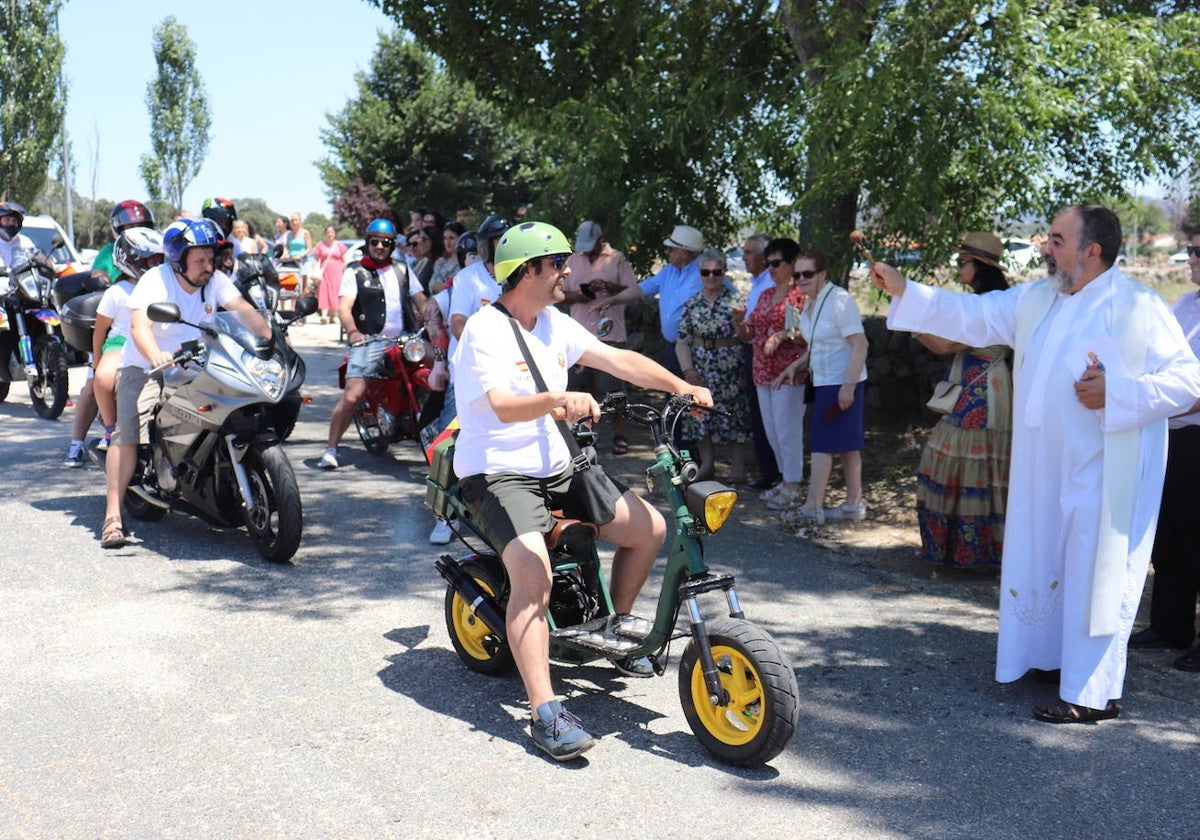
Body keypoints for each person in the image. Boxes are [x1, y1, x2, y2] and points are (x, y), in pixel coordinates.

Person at [871, 204, 1200, 723]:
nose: (1045, 248)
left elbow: (1189, 380)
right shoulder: (1038, 298)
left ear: (1091, 252)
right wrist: (906, 290)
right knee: (1048, 557)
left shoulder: (1136, 306)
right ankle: (1052, 660)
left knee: (1094, 568)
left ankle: (1092, 694)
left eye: (1056, 240)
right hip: (1042, 465)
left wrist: (1121, 392)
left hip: (1102, 467)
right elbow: (973, 316)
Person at [452, 221, 712, 760]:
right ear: (528, 271)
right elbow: (500, 404)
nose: (568, 271)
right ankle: (545, 712)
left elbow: (618, 360)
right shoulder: (485, 330)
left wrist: (679, 385)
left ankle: (612, 628)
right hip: (499, 471)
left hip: (560, 462)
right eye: (558, 263)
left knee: (651, 529)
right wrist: (557, 401)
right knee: (533, 573)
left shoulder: (554, 323)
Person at [100, 218, 261, 549]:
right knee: (128, 433)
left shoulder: (214, 280)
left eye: (210, 258)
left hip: (199, 362)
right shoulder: (154, 280)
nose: (208, 266)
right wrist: (155, 355)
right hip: (145, 365)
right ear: (178, 260)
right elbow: (139, 326)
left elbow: (242, 309)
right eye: (200, 260)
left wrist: (269, 335)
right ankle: (113, 516)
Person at [914, 233, 1012, 567]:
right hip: (979, 387)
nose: (957, 267)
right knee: (971, 463)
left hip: (981, 394)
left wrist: (912, 319)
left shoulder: (990, 305)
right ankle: (969, 549)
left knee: (965, 460)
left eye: (962, 262)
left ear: (980, 265)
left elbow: (945, 345)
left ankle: (968, 551)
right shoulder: (993, 301)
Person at [1130, 229, 1200, 671]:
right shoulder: (1186, 304)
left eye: (1198, 252)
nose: (1190, 258)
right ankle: (1170, 625)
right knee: (1170, 535)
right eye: (1191, 250)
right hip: (1174, 434)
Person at [319, 218, 425, 470]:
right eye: (375, 241)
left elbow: (422, 299)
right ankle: (331, 448)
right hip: (371, 340)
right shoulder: (355, 271)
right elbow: (344, 307)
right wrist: (354, 331)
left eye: (385, 242)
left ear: (391, 245)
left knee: (439, 372)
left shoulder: (402, 269)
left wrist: (432, 316)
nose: (380, 246)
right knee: (353, 395)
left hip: (405, 338)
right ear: (368, 242)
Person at [774, 250, 868, 524]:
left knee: (821, 444)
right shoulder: (810, 303)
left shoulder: (839, 300)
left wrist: (848, 386)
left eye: (808, 274)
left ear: (822, 274)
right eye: (797, 274)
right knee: (848, 446)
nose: (801, 279)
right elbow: (820, 345)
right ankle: (854, 503)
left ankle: (813, 506)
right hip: (824, 379)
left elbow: (860, 344)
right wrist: (795, 366)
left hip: (841, 381)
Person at [62, 200, 155, 467]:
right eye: (129, 226)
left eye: (141, 226)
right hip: (116, 334)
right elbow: (99, 272)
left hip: (150, 335)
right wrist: (102, 279)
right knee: (94, 385)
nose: (135, 230)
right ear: (117, 229)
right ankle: (77, 443)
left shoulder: (155, 255)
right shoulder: (110, 252)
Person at [732, 237, 807, 509]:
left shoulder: (799, 296)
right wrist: (738, 321)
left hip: (787, 372)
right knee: (773, 432)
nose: (770, 268)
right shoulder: (765, 294)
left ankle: (793, 483)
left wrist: (782, 335)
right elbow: (748, 333)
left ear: (791, 264)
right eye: (768, 263)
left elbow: (804, 337)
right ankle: (784, 479)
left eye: (776, 263)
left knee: (788, 430)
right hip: (761, 370)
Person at [560, 220, 637, 454]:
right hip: (578, 334)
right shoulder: (573, 260)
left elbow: (633, 291)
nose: (587, 249)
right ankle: (581, 435)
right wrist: (579, 295)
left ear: (601, 238)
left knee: (613, 388)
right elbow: (559, 295)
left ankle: (619, 435)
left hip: (610, 334)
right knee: (579, 388)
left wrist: (608, 287)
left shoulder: (618, 258)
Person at [676, 249, 750, 481]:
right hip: (701, 368)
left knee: (733, 416)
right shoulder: (692, 304)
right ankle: (708, 464)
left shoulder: (736, 302)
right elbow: (682, 340)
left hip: (729, 369)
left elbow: (746, 336)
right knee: (700, 415)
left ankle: (738, 468)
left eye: (716, 272)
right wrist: (688, 370)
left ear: (724, 273)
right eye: (706, 272)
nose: (711, 277)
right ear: (700, 274)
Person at [90, 228, 165, 455]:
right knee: (103, 379)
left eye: (159, 260)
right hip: (120, 340)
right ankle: (111, 428)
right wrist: (96, 361)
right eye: (149, 260)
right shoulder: (116, 291)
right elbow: (100, 329)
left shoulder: (164, 286)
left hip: (156, 339)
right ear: (129, 259)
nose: (155, 265)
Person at [598, 223, 705, 376]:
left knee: (695, 395)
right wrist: (613, 300)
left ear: (684, 252)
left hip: (696, 348)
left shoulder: (706, 273)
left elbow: (728, 297)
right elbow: (640, 289)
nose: (667, 252)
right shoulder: (668, 271)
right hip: (671, 346)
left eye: (671, 249)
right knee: (674, 394)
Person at [740, 233, 782, 491]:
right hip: (754, 354)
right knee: (759, 416)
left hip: (773, 356)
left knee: (775, 419)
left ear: (763, 257)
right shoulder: (757, 283)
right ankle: (769, 473)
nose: (743, 258)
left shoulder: (770, 284)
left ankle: (778, 475)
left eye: (747, 253)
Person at [312, 225, 348, 324]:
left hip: (336, 273)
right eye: (328, 232)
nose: (330, 234)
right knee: (323, 290)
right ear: (325, 233)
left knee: (335, 292)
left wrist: (344, 271)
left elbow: (345, 260)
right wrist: (313, 268)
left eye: (332, 232)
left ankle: (333, 316)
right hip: (324, 272)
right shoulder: (320, 244)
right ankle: (324, 314)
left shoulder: (339, 245)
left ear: (335, 234)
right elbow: (315, 258)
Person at [432, 221, 464, 293]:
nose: (447, 242)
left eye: (451, 238)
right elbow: (432, 285)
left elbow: (460, 287)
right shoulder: (441, 262)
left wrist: (443, 286)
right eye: (445, 238)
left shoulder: (466, 263)